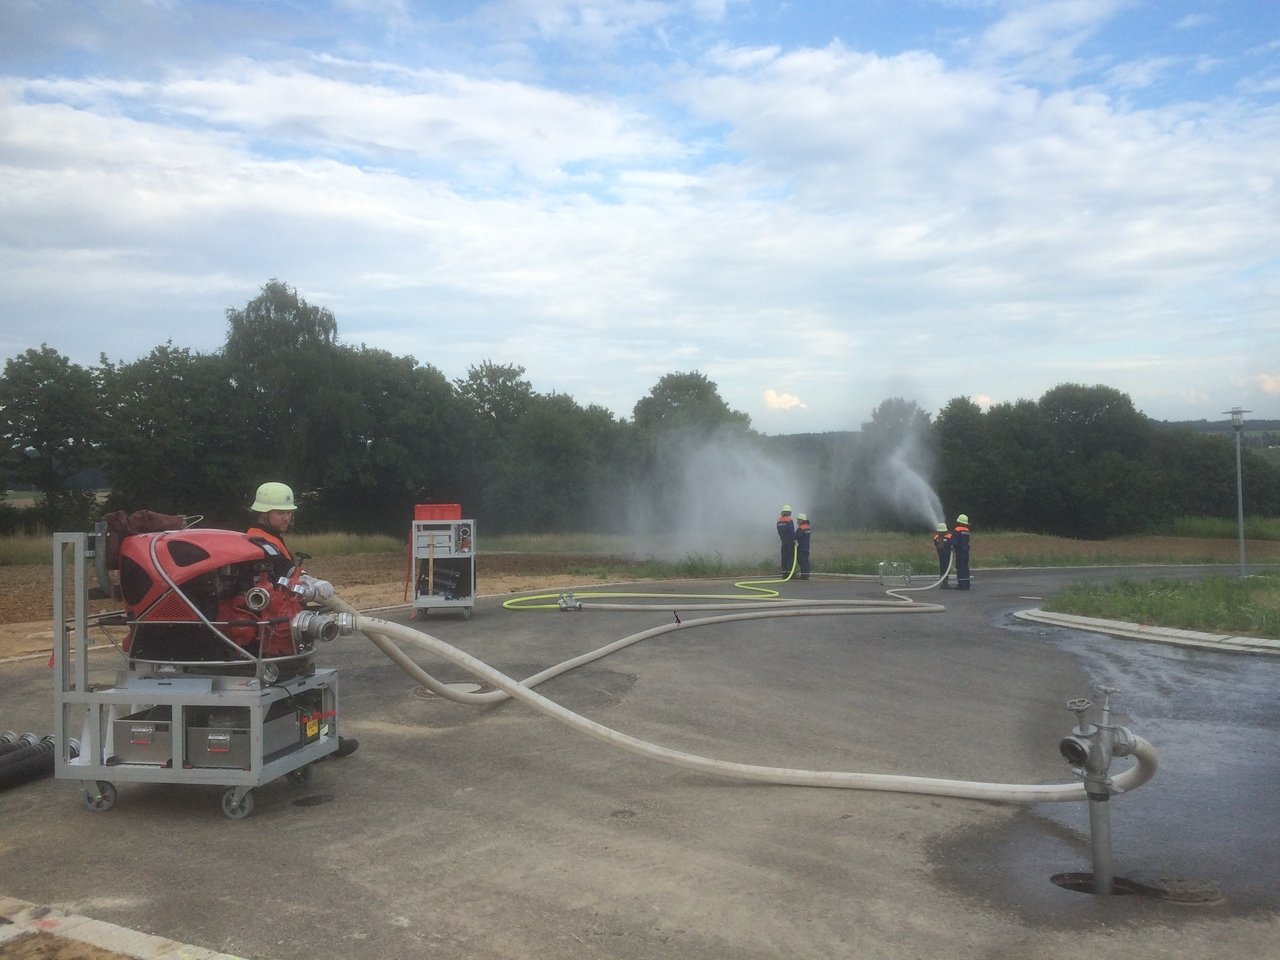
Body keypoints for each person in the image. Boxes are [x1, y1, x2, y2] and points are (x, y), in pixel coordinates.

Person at [248, 481, 359, 758]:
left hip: (281, 631)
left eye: (288, 512)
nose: (286, 517)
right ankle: (317, 743)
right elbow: (284, 572)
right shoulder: (260, 542)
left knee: (299, 687)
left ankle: (317, 741)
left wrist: (308, 581)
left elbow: (285, 572)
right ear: (264, 514)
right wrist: (312, 583)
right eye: (280, 513)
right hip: (275, 635)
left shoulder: (269, 539)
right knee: (299, 688)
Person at [952, 513, 971, 591]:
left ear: (959, 522)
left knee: (960, 568)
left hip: (960, 552)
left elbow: (954, 541)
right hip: (966, 552)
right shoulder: (967, 530)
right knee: (966, 568)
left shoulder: (957, 530)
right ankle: (967, 585)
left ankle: (961, 585)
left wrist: (951, 545)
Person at [776, 505, 796, 575]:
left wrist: (782, 537)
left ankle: (784, 573)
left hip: (783, 541)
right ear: (788, 512)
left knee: (784, 557)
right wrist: (795, 540)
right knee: (790, 557)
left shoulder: (779, 520)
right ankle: (791, 574)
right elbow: (791, 531)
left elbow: (779, 531)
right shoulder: (789, 520)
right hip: (790, 542)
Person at [933, 521, 953, 588]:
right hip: (945, 555)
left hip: (942, 555)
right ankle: (944, 583)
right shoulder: (949, 536)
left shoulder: (936, 537)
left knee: (943, 569)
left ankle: (943, 583)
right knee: (945, 569)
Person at [795, 513, 812, 580]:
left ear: (802, 520)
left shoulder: (801, 527)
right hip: (806, 545)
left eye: (799, 519)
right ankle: (806, 573)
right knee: (805, 559)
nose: (798, 521)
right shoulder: (807, 526)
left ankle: (804, 575)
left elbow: (798, 536)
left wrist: (793, 538)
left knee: (801, 560)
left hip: (802, 546)